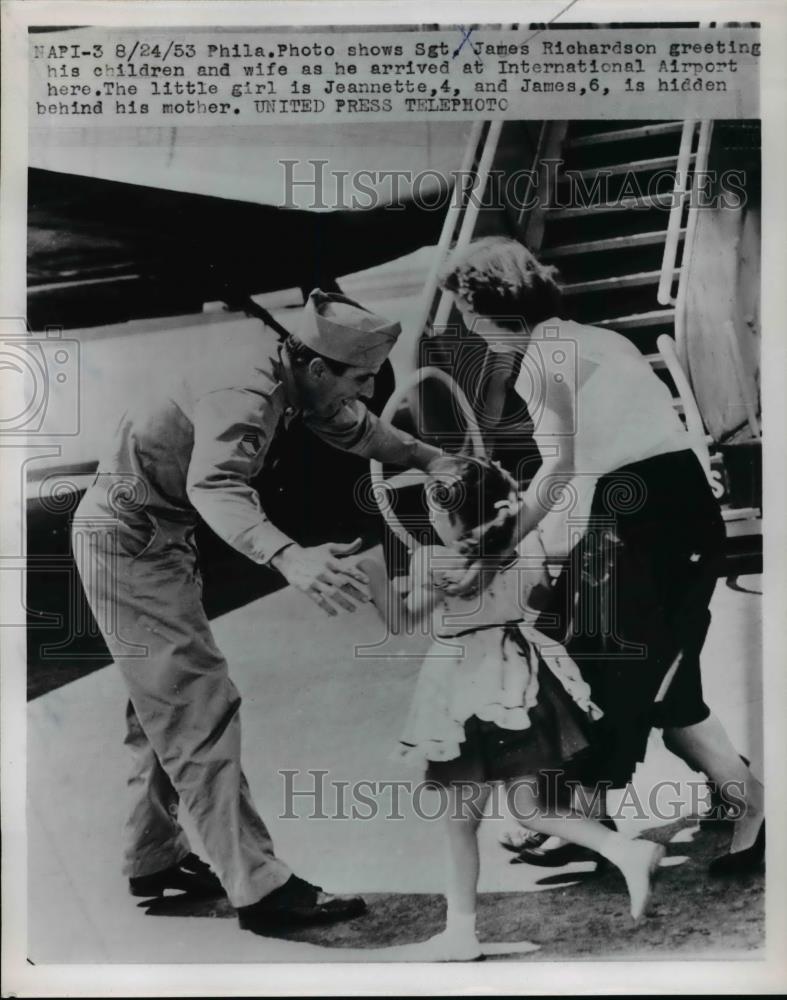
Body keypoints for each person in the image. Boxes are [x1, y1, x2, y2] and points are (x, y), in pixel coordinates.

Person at [72, 288, 444, 934]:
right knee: (199, 709)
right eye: (357, 381)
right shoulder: (248, 390)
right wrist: (290, 557)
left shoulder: (296, 373)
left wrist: (426, 458)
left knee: (162, 704)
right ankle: (261, 889)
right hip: (133, 543)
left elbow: (351, 426)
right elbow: (212, 485)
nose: (360, 396)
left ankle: (152, 857)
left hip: (151, 537)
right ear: (320, 367)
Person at [437, 237, 765, 876]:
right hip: (676, 511)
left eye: (467, 314)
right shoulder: (602, 339)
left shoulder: (540, 359)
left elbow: (563, 469)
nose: (469, 329)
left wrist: (502, 543)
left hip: (643, 524)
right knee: (644, 679)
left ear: (486, 310)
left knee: (605, 671)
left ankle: (749, 807)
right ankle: (601, 816)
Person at [362, 455, 665, 961]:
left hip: (463, 695)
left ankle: (461, 933)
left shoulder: (433, 562)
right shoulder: (522, 550)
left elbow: (400, 619)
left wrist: (373, 569)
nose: (430, 519)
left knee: (460, 821)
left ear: (447, 515)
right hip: (519, 685)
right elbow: (543, 601)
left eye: (434, 509)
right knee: (531, 807)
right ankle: (623, 849)